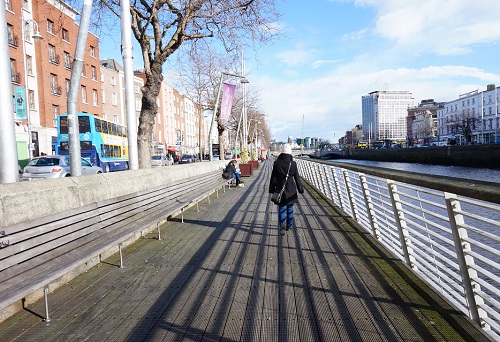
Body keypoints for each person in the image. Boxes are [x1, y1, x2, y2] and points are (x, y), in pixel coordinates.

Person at [269, 144, 304, 235]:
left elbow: (274, 178)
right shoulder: (293, 164)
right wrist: (300, 189)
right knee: (290, 207)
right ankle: (289, 225)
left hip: (280, 188)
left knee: (282, 207)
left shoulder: (277, 163)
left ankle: (282, 225)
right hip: (291, 188)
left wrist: (271, 189)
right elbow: (297, 178)